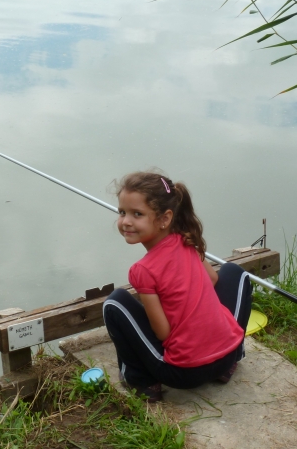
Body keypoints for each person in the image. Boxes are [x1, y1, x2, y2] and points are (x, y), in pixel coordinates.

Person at [103, 171, 252, 402]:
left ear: (165, 218)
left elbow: (163, 333)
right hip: (226, 356)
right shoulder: (186, 239)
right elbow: (213, 280)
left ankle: (141, 381)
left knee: (114, 303)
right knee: (235, 272)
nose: (126, 221)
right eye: (122, 212)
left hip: (184, 375)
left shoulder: (142, 270)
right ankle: (232, 360)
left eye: (137, 214)